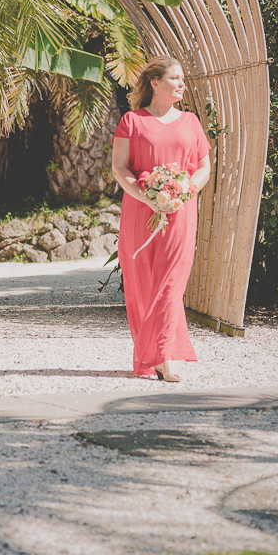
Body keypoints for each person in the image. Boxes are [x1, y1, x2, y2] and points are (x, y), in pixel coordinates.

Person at [111, 56, 211, 382]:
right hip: (141, 214)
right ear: (155, 83)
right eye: (176, 78)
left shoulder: (191, 122)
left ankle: (162, 355)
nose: (182, 84)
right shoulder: (132, 121)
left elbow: (203, 167)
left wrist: (184, 190)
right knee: (141, 285)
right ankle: (151, 353)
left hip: (181, 214)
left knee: (171, 283)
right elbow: (120, 168)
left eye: (183, 79)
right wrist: (147, 197)